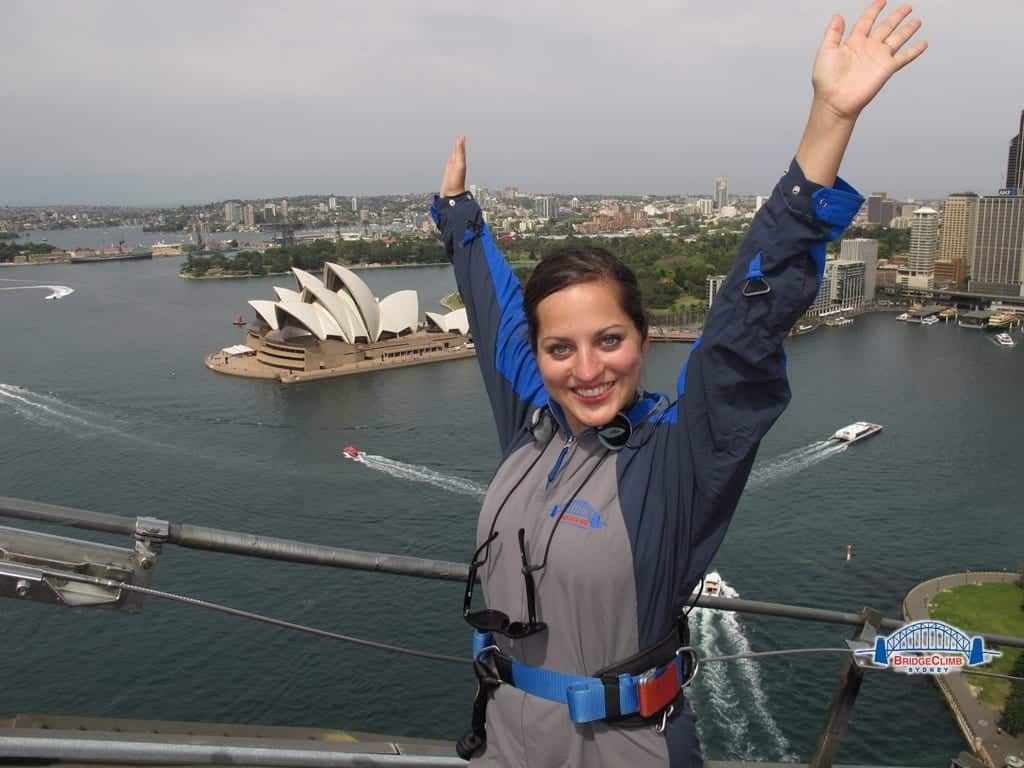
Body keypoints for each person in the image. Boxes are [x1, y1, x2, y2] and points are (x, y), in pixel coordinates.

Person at [432, 2, 927, 765]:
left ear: (642, 339)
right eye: (560, 348)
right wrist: (460, 218)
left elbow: (740, 334)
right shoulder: (532, 422)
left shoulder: (677, 457)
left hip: (626, 749)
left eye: (610, 340)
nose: (587, 368)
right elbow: (497, 312)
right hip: (501, 739)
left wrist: (827, 121)